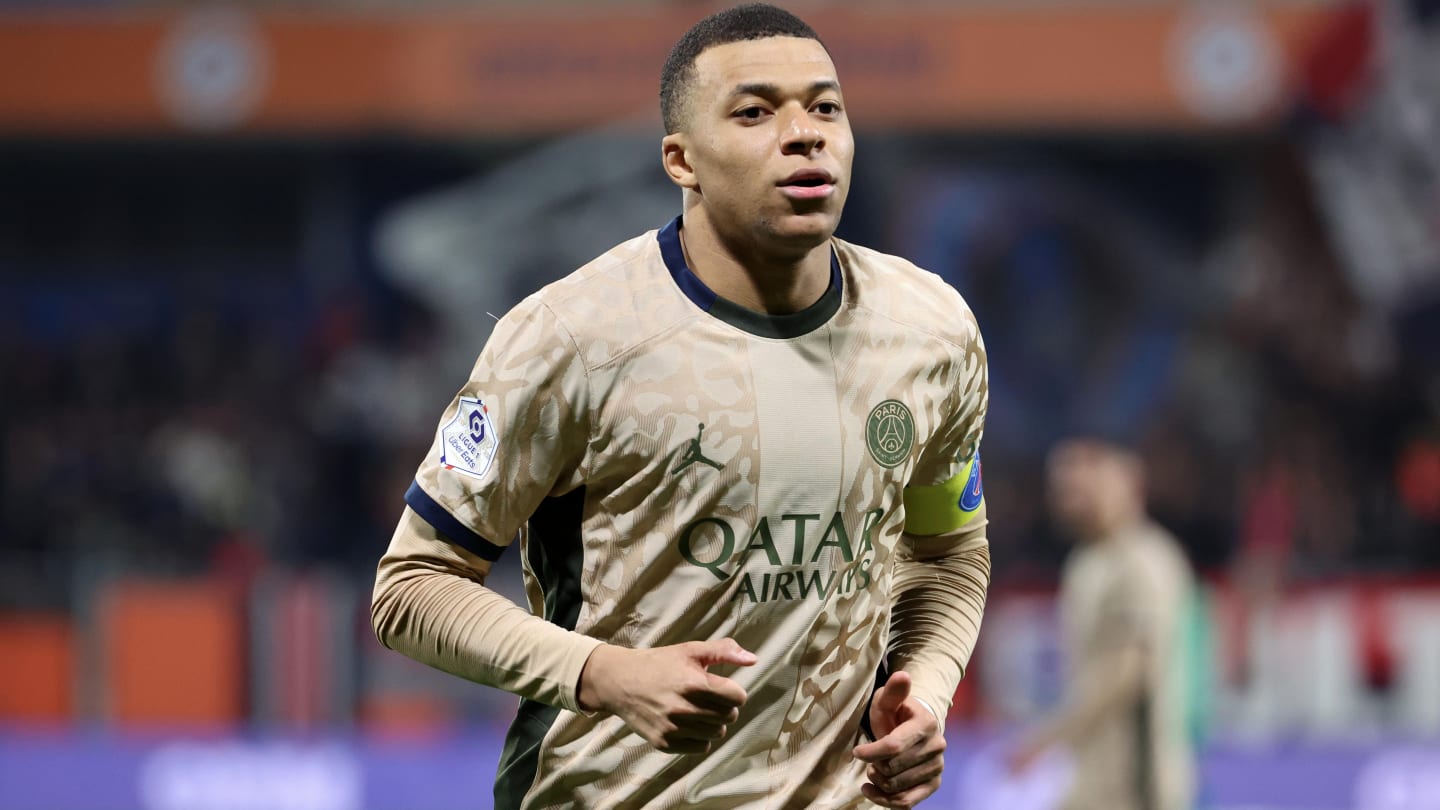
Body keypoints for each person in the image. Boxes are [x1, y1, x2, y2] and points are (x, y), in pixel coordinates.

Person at [371, 5, 991, 808]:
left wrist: (925, 691)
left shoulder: (930, 331)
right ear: (681, 159)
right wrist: (604, 674)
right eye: (755, 112)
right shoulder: (570, 338)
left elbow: (947, 556)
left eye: (825, 107)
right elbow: (413, 586)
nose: (804, 135)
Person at [1009, 436, 1198, 810]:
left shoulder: (1145, 560)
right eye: (1063, 490)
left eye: (1085, 486)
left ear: (1127, 482)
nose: (1072, 498)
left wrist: (1048, 736)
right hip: (1091, 776)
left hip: (1137, 784)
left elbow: (1127, 670)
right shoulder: (1087, 562)